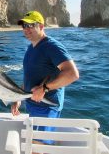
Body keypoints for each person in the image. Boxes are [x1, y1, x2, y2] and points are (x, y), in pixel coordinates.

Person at [11, 10, 79, 145]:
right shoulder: (30, 49)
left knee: (38, 149)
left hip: (47, 107)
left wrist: (45, 88)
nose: (26, 29)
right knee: (35, 146)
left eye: (31, 25)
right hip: (32, 105)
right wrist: (18, 98)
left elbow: (72, 74)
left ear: (41, 26)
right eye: (24, 26)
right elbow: (29, 78)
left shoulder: (51, 46)